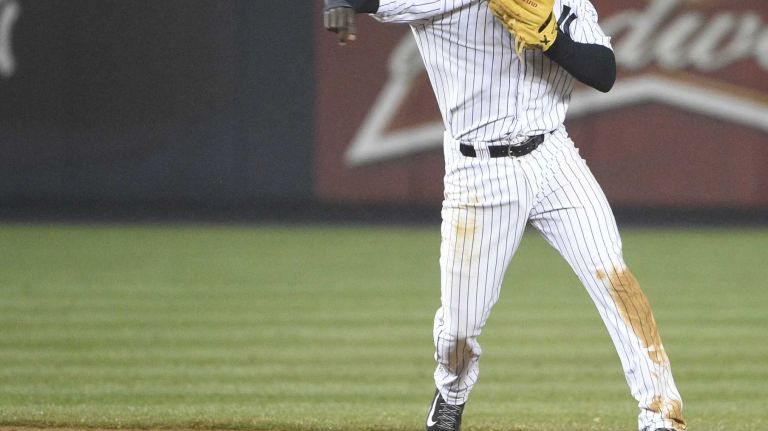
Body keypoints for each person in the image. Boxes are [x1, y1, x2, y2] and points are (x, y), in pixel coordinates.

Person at [323, 1, 687, 430]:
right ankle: (451, 394)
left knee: (615, 280)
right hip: (478, 170)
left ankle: (661, 417)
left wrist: (553, 39)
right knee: (459, 330)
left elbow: (604, 72)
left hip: (554, 156)